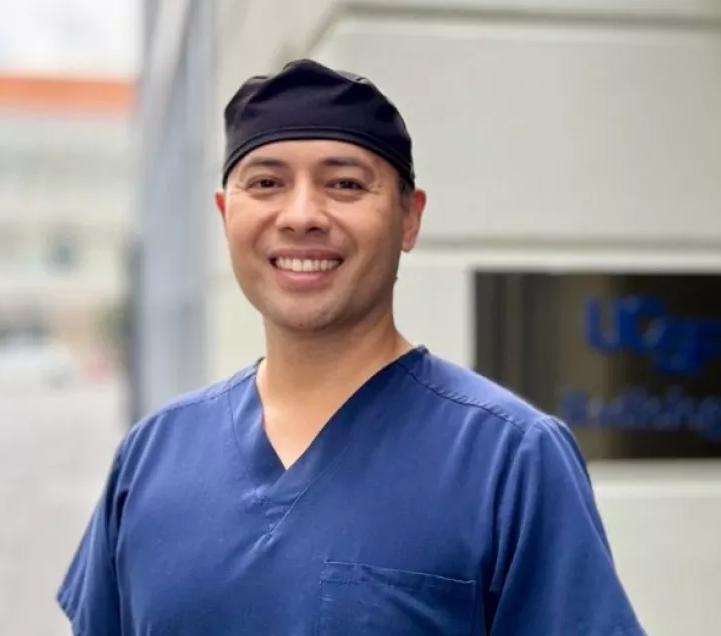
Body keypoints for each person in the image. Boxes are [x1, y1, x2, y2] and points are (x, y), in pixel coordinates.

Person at [57, 58, 645, 635]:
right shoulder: (151, 457)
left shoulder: (508, 460)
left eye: (344, 184)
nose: (302, 215)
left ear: (408, 218)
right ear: (225, 213)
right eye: (266, 183)